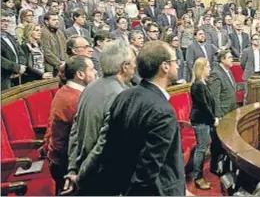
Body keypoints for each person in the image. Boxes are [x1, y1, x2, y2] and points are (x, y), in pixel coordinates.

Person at [97, 41, 185, 196]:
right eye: (174, 61)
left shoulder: (124, 96)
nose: (177, 66)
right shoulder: (163, 110)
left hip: (123, 185)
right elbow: (148, 169)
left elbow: (111, 149)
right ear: (164, 66)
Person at [63, 41, 135, 195]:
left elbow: (74, 133)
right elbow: (103, 143)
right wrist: (80, 176)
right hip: (103, 176)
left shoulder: (90, 87)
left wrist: (72, 169)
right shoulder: (121, 95)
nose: (135, 67)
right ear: (124, 66)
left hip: (84, 171)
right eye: (133, 63)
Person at [45, 56, 96, 195]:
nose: (95, 72)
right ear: (80, 74)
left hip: (59, 159)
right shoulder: (75, 98)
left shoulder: (67, 91)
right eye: (91, 69)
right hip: (64, 163)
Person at [189, 58, 217, 190]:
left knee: (203, 147)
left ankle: (197, 175)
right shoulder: (197, 85)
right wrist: (213, 120)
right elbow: (204, 106)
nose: (210, 69)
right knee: (201, 148)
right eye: (208, 67)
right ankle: (197, 177)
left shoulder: (203, 83)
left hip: (204, 120)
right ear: (202, 69)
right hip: (201, 121)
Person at [208, 50, 236, 173]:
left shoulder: (228, 71)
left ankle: (224, 164)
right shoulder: (216, 73)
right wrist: (217, 116)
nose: (232, 59)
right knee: (217, 142)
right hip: (222, 113)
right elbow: (215, 98)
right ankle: (214, 166)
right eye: (229, 57)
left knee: (225, 141)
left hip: (230, 111)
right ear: (222, 59)